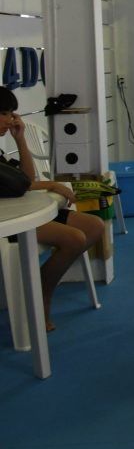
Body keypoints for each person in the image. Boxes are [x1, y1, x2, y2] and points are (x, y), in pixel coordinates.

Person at [0, 87, 104, 331]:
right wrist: (52, 184)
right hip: (10, 222)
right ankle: (41, 296)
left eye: (11, 113)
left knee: (94, 226)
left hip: (22, 209)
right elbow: (23, 185)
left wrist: (20, 139)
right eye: (3, 113)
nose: (10, 120)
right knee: (74, 239)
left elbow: (25, 178)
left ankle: (40, 289)